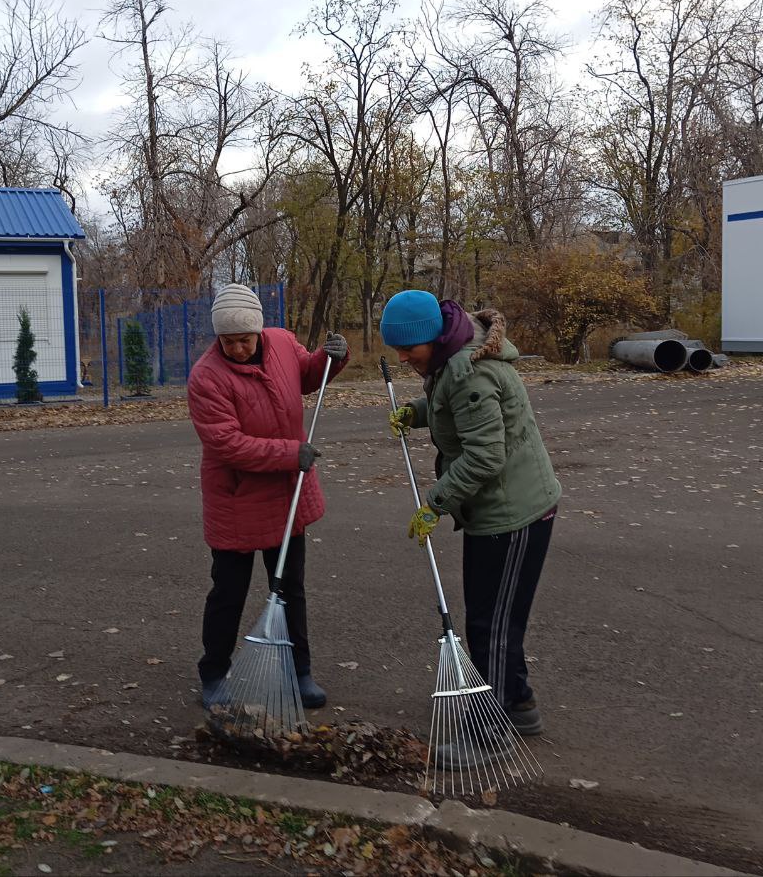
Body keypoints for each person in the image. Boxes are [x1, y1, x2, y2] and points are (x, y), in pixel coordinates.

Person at [379, 289, 561, 743]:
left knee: (491, 625)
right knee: (494, 617)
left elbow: (484, 456)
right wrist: (415, 411)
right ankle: (517, 703)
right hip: (497, 509)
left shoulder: (469, 372)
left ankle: (488, 730)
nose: (401, 358)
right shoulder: (451, 360)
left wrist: (434, 504)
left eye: (407, 349)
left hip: (514, 512)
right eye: (396, 350)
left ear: (433, 338)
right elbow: (450, 409)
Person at [187, 283, 349, 711]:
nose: (238, 349)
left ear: (259, 330)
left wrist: (331, 358)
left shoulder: (280, 342)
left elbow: (309, 376)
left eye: (244, 339)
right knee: (228, 593)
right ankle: (214, 673)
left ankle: (300, 672)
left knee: (291, 589)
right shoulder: (206, 377)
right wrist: (290, 453)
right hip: (237, 500)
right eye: (228, 341)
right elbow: (228, 445)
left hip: (285, 494)